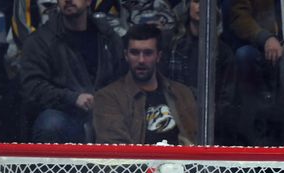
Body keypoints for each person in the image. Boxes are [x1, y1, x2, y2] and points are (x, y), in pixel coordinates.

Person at [20, 0, 125, 142]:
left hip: (106, 115)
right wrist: (72, 98)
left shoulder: (107, 36)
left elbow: (121, 77)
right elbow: (32, 87)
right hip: (65, 117)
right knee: (51, 124)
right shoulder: (41, 41)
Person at [93, 24, 197, 145]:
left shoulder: (182, 93)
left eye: (148, 53)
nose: (141, 60)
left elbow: (197, 140)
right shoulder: (108, 97)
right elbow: (117, 151)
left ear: (158, 56)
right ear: (126, 55)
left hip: (180, 162)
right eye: (135, 53)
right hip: (138, 163)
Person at [163, 0, 236, 144]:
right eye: (197, 1)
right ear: (188, 5)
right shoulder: (170, 43)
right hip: (170, 118)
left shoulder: (224, 53)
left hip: (208, 128)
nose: (201, 7)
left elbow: (226, 101)